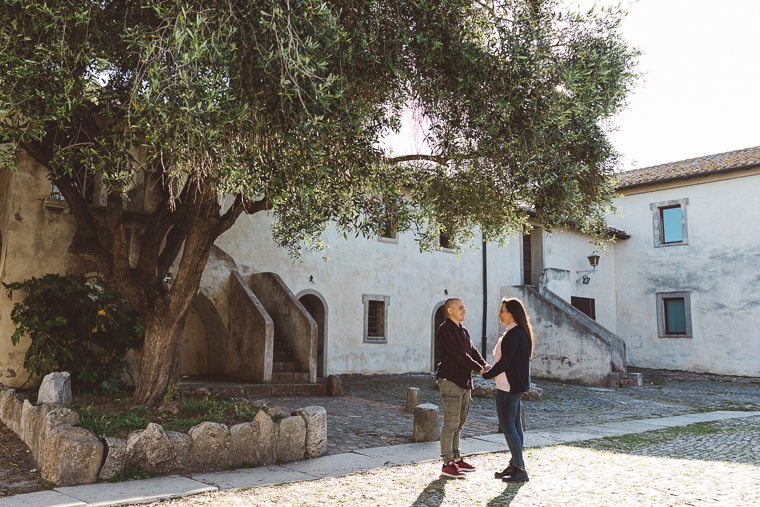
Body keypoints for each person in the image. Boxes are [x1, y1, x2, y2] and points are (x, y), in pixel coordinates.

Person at [434, 297, 491, 478]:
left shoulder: (463, 330)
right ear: (450, 310)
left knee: (460, 423)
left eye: (464, 308)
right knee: (450, 423)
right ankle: (447, 463)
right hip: (450, 381)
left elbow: (472, 350)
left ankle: (457, 459)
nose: (464, 311)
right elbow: (460, 355)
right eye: (460, 308)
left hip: (464, 382)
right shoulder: (445, 330)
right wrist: (479, 369)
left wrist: (484, 364)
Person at [482, 297, 534, 483]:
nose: (499, 314)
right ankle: (516, 463)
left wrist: (486, 374)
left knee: (507, 425)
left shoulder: (514, 334)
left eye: (502, 310)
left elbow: (505, 362)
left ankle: (520, 468)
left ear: (511, 313)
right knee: (515, 425)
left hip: (508, 385)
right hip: (512, 384)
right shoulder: (518, 332)